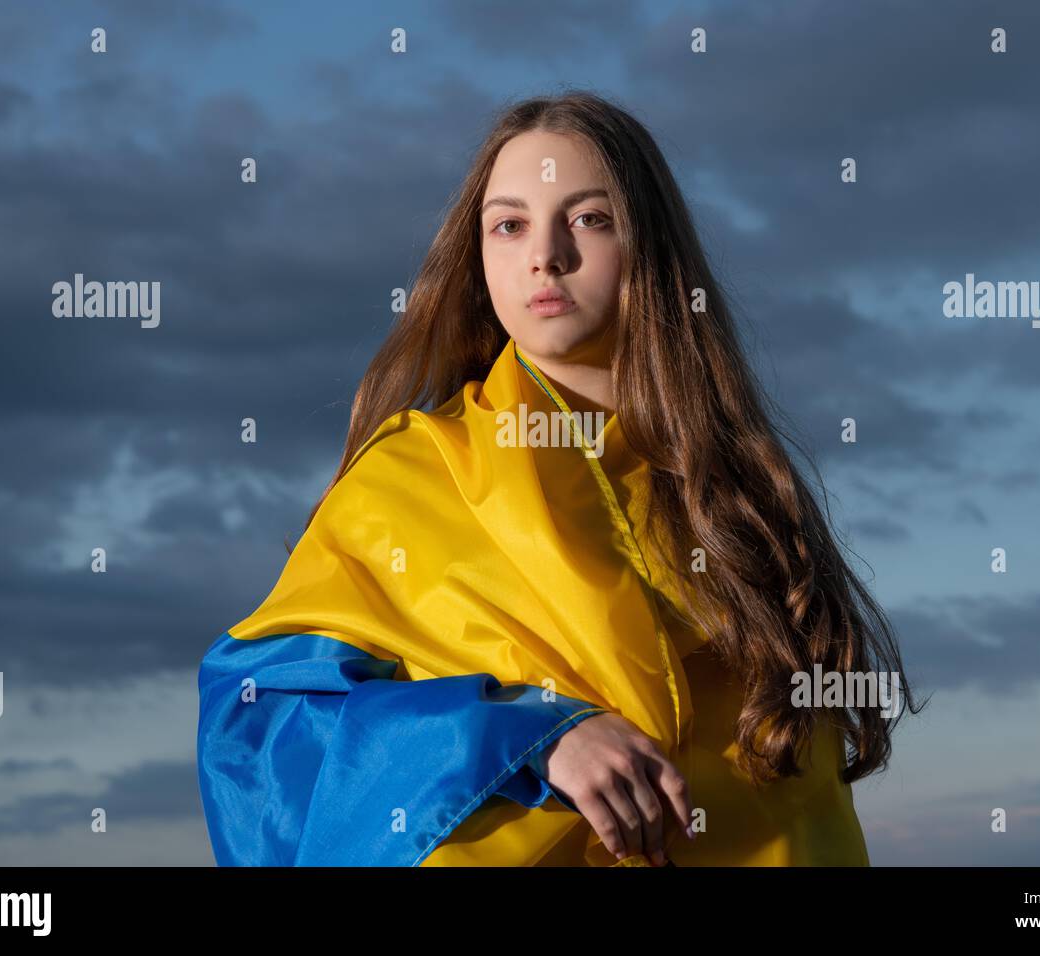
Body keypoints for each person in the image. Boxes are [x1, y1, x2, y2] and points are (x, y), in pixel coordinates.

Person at [196, 90, 918, 867]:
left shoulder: (740, 498)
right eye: (509, 224)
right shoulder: (409, 479)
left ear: (651, 246)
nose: (545, 255)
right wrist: (530, 734)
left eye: (588, 219)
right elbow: (256, 727)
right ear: (477, 255)